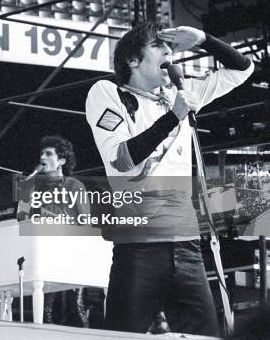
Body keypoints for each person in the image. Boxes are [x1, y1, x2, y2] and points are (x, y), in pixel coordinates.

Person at [85, 23, 253, 336]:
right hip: (138, 248)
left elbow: (242, 69)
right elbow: (123, 161)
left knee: (205, 336)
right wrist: (172, 118)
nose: (169, 53)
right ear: (133, 60)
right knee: (122, 336)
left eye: (171, 48)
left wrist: (204, 39)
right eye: (158, 46)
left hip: (187, 247)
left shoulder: (179, 96)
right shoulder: (108, 93)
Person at [19, 135, 91, 326]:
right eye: (41, 153)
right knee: (46, 309)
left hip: (71, 254)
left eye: (49, 154)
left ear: (62, 160)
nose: (42, 157)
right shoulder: (32, 186)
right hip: (43, 254)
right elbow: (22, 218)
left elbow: (86, 223)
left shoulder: (74, 186)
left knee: (74, 308)